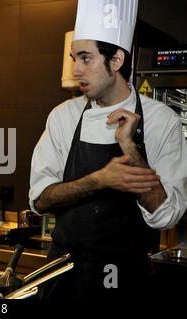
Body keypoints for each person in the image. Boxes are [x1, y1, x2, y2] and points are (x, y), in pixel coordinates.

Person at [29, 0, 187, 299]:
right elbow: (41, 199)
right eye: (74, 58)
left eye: (86, 58)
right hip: (61, 272)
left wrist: (130, 147)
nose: (75, 69)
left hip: (125, 275)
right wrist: (99, 180)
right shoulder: (63, 116)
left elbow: (166, 216)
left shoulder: (159, 120)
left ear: (116, 60)